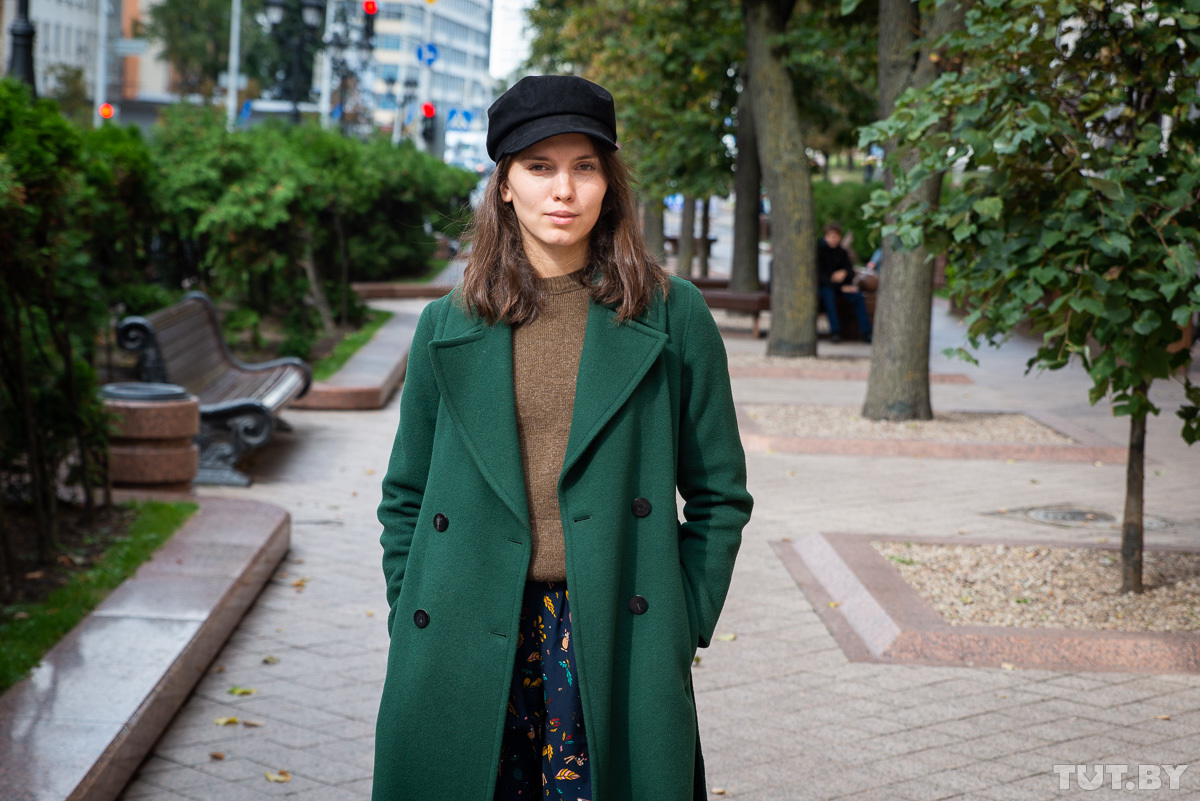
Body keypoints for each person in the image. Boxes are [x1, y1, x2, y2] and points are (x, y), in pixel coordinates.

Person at [373, 75, 753, 801]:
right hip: (464, 622)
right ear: (504, 185)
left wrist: (679, 621)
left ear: (609, 183)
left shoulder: (673, 317)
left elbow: (720, 495)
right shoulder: (446, 325)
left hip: (611, 624)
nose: (564, 189)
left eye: (584, 166)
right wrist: (413, 606)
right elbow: (406, 495)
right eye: (539, 166)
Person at [817, 221, 873, 343]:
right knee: (828, 294)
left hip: (840, 288)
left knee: (857, 296)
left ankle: (867, 332)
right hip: (825, 288)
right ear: (826, 236)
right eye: (830, 236)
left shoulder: (842, 252)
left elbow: (850, 271)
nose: (833, 239)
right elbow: (820, 277)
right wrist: (840, 287)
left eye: (836, 236)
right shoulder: (819, 251)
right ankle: (835, 331)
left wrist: (844, 272)